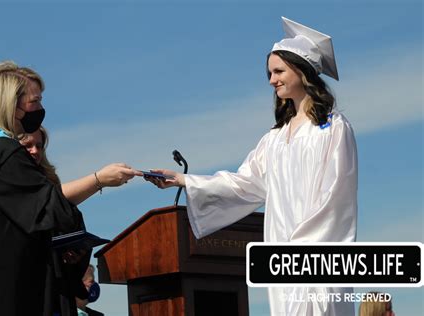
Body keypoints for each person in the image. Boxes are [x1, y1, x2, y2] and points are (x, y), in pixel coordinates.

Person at [145, 17, 358, 315]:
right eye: (270, 73)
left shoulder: (332, 129)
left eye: (279, 71)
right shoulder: (275, 137)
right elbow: (244, 183)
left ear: (302, 70)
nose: (272, 80)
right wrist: (184, 180)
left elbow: (336, 199)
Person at [0, 61, 138, 316]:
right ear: (12, 105)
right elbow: (51, 209)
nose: (41, 108)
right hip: (4, 291)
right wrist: (96, 185)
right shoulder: (2, 152)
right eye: (35, 101)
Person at [19, 126, 141, 205]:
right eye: (27, 145)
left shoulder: (48, 179)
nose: (35, 151)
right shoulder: (7, 183)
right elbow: (46, 199)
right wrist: (100, 179)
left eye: (39, 146)